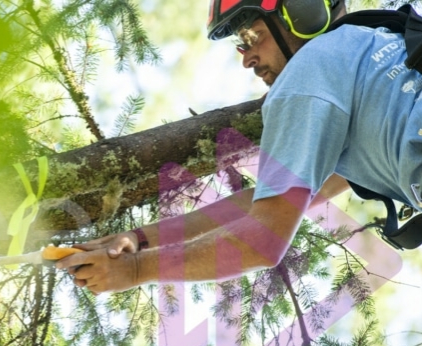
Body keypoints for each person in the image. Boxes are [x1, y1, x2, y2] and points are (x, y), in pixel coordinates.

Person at [56, 0, 422, 293]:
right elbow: (267, 202)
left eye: (252, 36)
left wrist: (137, 270)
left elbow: (263, 237)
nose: (246, 59)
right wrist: (139, 239)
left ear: (299, 12)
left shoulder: (307, 72)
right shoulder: (370, 49)